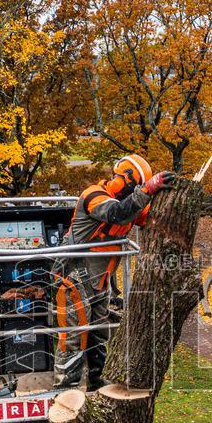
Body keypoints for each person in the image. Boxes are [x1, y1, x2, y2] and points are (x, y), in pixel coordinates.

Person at [51, 155, 176, 390]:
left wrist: (169, 199)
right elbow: (116, 213)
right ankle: (65, 390)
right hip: (74, 277)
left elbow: (149, 218)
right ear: (121, 179)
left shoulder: (128, 205)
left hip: (100, 281)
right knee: (74, 336)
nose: (132, 192)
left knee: (98, 335)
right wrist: (146, 190)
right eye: (132, 187)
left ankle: (97, 384)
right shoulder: (94, 196)